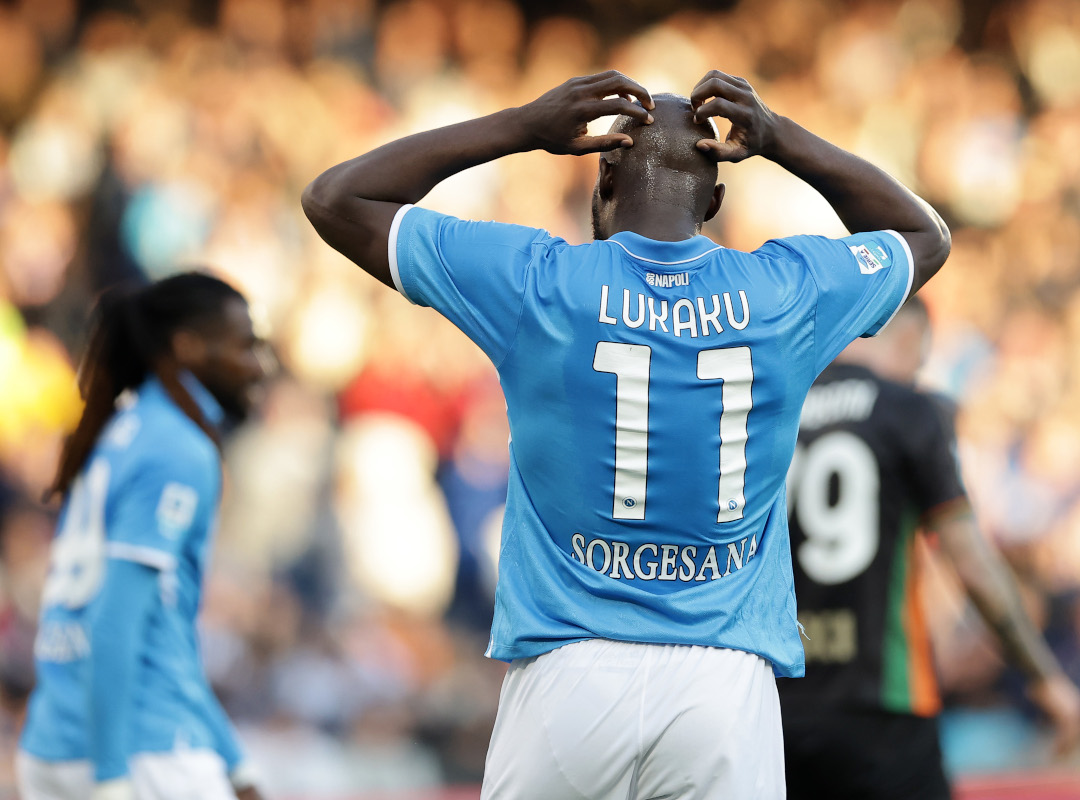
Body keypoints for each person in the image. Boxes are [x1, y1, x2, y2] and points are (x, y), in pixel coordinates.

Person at [302, 69, 951, 799]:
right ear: (715, 199)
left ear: (603, 177)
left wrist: (520, 126)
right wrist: (781, 139)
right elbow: (923, 234)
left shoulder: (537, 282)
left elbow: (336, 198)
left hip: (567, 676)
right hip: (723, 683)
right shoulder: (785, 291)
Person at [777, 296, 1080, 799]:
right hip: (885, 705)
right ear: (909, 338)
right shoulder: (909, 410)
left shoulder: (780, 411)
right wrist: (1043, 676)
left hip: (782, 704)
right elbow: (969, 560)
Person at [18, 272, 267, 800]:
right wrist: (111, 776)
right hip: (140, 750)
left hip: (52, 743)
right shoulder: (176, 448)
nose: (258, 365)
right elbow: (115, 618)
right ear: (188, 345)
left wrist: (235, 761)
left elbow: (160, 634)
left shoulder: (121, 432)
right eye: (245, 346)